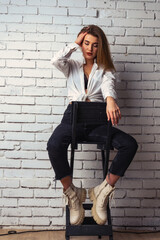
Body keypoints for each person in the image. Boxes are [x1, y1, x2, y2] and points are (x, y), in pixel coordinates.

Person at [47, 25, 138, 226]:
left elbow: (108, 85)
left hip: (98, 121)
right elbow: (55, 60)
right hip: (72, 119)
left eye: (95, 45)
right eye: (86, 43)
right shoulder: (71, 64)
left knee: (129, 144)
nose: (89, 48)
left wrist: (111, 100)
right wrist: (75, 43)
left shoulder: (105, 70)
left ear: (101, 47)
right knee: (54, 145)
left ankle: (103, 190)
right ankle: (72, 193)